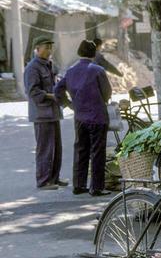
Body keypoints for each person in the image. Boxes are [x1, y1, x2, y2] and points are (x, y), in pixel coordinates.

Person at [54, 40, 112, 197]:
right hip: (98, 116)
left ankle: (79, 185)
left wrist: (69, 104)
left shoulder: (70, 71)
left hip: (79, 117)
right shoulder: (98, 70)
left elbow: (57, 90)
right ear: (93, 54)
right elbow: (107, 93)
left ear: (79, 52)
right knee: (97, 152)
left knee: (81, 150)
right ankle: (97, 187)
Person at [24, 35, 67, 190]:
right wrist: (51, 96)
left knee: (56, 147)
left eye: (50, 47)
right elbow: (33, 92)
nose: (49, 50)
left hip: (53, 112)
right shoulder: (32, 68)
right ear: (37, 49)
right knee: (45, 148)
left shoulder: (49, 65)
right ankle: (43, 181)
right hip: (42, 114)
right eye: (46, 47)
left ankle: (54, 178)